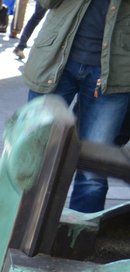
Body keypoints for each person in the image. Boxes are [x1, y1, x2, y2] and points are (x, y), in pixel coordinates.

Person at [23, 0, 130, 214]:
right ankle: (16, 230)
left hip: (115, 70)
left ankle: (77, 240)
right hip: (55, 60)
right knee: (34, 155)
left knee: (93, 172)